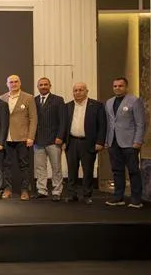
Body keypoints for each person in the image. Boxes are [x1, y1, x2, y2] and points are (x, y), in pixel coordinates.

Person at [104, 77, 146, 208]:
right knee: (117, 170)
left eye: (120, 86)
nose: (117, 88)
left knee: (133, 171)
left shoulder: (134, 101)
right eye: (115, 86)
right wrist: (106, 141)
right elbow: (108, 124)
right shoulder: (109, 102)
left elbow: (140, 123)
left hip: (130, 143)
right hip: (113, 142)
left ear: (126, 87)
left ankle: (136, 199)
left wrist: (138, 141)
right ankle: (118, 197)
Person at [63, 83, 106, 205]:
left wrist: (100, 142)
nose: (78, 92)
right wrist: (63, 141)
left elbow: (102, 125)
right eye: (75, 90)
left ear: (87, 91)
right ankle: (72, 194)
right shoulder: (68, 106)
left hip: (88, 142)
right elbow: (64, 125)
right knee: (72, 170)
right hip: (71, 142)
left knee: (88, 170)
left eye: (81, 90)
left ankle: (87, 195)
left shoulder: (96, 106)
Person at [0, 74, 37, 200]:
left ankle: (25, 190)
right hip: (7, 137)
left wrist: (31, 136)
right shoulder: (2, 98)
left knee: (24, 165)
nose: (13, 84)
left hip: (23, 137)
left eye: (16, 82)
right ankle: (7, 189)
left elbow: (33, 118)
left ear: (20, 83)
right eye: (11, 82)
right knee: (6, 165)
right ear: (7, 84)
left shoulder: (28, 98)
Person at [34, 77, 66, 200]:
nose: (43, 86)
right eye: (41, 85)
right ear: (38, 87)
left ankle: (57, 191)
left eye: (45, 84)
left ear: (50, 86)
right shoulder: (34, 100)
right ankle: (42, 190)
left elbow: (63, 120)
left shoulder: (58, 100)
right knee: (40, 167)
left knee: (56, 167)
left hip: (54, 140)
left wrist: (60, 136)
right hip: (38, 140)